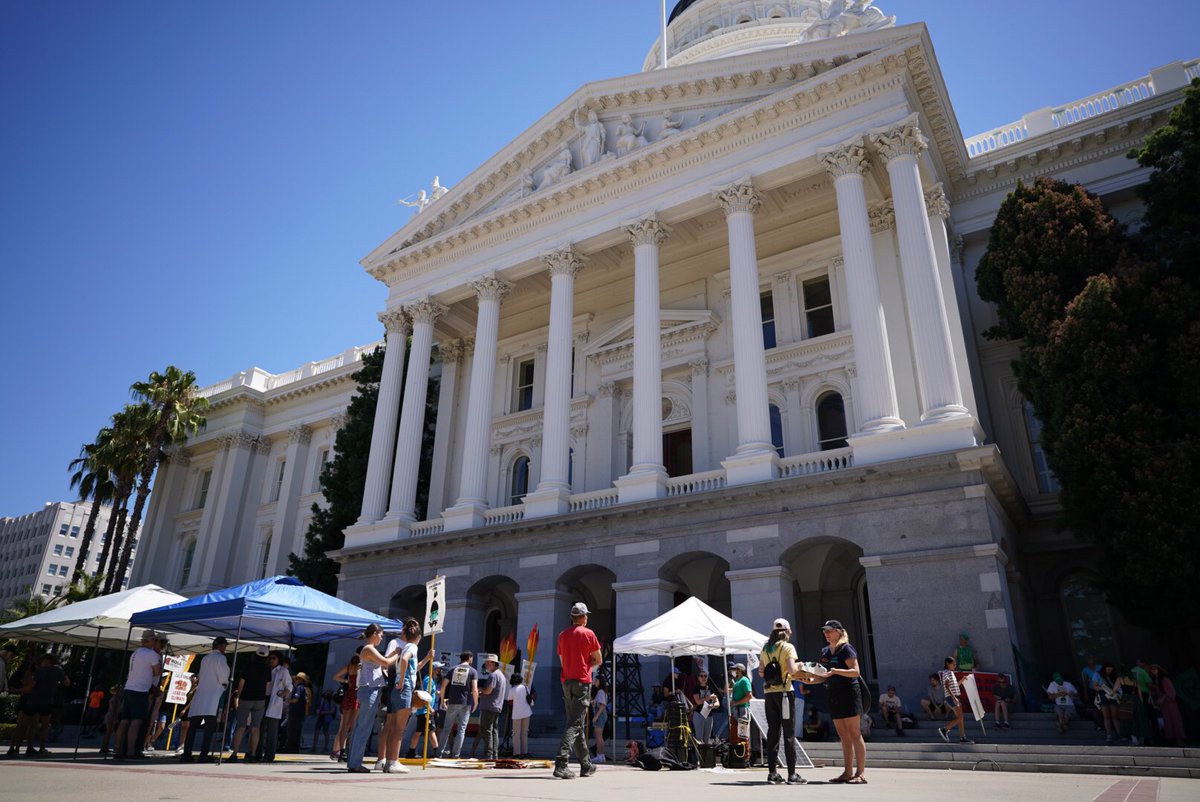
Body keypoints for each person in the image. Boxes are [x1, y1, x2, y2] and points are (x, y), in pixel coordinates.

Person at [810, 619, 864, 783]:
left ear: (839, 631)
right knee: (843, 735)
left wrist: (836, 671)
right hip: (833, 693)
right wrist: (809, 680)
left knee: (855, 734)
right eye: (824, 631)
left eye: (829, 631)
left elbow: (855, 672)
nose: (826, 634)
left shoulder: (846, 649)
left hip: (849, 693)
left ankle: (860, 773)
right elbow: (823, 675)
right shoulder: (826, 651)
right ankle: (847, 773)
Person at [553, 601, 602, 780]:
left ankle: (586, 764)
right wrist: (588, 664)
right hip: (582, 681)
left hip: (566, 681)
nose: (587, 617)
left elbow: (561, 659)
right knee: (574, 723)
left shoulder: (562, 635)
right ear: (581, 617)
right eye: (586, 615)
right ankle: (561, 763)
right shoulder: (589, 634)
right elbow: (599, 660)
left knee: (575, 722)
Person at [346, 623, 399, 773]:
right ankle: (355, 763)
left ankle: (353, 761)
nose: (382, 638)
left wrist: (392, 654)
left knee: (361, 727)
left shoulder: (369, 649)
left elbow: (382, 662)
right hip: (369, 690)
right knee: (363, 727)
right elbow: (387, 663)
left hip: (368, 690)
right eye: (381, 635)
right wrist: (399, 652)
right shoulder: (369, 649)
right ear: (374, 633)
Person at [759, 618, 805, 785]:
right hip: (785, 693)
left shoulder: (765, 648)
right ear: (786, 631)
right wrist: (801, 667)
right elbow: (792, 670)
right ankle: (792, 774)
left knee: (773, 732)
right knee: (789, 733)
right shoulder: (787, 647)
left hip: (769, 694)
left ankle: (772, 773)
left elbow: (761, 672)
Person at [381, 618, 425, 773]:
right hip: (404, 686)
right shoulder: (412, 647)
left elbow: (409, 665)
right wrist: (401, 681)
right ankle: (393, 762)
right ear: (418, 637)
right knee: (399, 729)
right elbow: (405, 661)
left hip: (397, 687)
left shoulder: (405, 646)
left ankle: (389, 761)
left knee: (394, 727)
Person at [113, 629, 162, 760]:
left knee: (124, 721)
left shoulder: (135, 653)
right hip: (140, 690)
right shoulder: (151, 654)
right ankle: (130, 751)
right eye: (155, 640)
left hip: (129, 688)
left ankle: (118, 749)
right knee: (136, 722)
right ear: (152, 640)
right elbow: (157, 672)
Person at [8, 653, 69, 757]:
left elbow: (31, 686)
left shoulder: (38, 672)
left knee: (23, 725)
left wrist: (18, 690)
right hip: (47, 701)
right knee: (44, 726)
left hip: (33, 700)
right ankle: (41, 748)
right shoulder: (58, 671)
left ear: (46, 661)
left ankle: (16, 748)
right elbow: (67, 683)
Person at [180, 636, 229, 763]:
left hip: (201, 695)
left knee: (193, 727)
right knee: (209, 728)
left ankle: (187, 753)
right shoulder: (220, 658)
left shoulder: (205, 658)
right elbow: (223, 676)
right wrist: (225, 685)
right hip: (212, 696)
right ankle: (203, 754)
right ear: (221, 645)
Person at [229, 645, 271, 762]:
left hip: (246, 699)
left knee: (241, 727)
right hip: (260, 700)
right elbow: (268, 686)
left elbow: (241, 684)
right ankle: (252, 755)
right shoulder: (267, 669)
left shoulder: (248, 666)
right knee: (255, 728)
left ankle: (235, 754)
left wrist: (238, 697)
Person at [437, 651, 478, 759]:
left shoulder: (452, 669)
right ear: (469, 658)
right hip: (466, 703)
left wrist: (442, 700)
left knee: (446, 728)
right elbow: (474, 689)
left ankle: (439, 753)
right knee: (461, 729)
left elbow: (443, 686)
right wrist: (476, 702)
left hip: (452, 701)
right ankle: (455, 755)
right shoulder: (473, 671)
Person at [259, 651, 293, 762]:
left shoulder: (283, 671)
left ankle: (269, 755)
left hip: (274, 701)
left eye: (273, 658)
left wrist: (282, 695)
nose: (271, 660)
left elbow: (289, 686)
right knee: (260, 728)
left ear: (279, 659)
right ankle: (257, 753)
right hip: (263, 699)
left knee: (272, 731)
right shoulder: (265, 669)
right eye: (269, 658)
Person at [477, 653, 507, 760]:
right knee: (494, 730)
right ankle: (494, 754)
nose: (485, 664)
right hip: (496, 706)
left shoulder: (493, 675)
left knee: (487, 730)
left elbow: (488, 690)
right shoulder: (501, 675)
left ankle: (488, 754)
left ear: (492, 663)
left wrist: (479, 690)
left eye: (487, 662)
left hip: (489, 706)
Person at [330, 653, 360, 761]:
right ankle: (351, 750)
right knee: (353, 725)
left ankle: (342, 751)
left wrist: (347, 681)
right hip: (357, 695)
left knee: (345, 726)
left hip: (349, 695)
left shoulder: (349, 666)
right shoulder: (362, 667)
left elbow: (335, 676)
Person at [937, 657, 972, 744]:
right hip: (952, 697)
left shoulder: (951, 673)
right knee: (960, 718)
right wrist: (954, 698)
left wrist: (962, 680)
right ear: (948, 664)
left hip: (955, 697)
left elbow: (955, 685)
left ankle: (962, 737)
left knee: (960, 718)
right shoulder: (945, 673)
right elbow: (947, 687)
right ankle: (944, 729)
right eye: (954, 664)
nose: (955, 665)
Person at [1148, 664, 1185, 746]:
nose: (1153, 671)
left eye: (1155, 669)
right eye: (1152, 670)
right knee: (1168, 722)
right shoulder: (1156, 680)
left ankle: (1180, 740)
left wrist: (1163, 698)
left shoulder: (1164, 679)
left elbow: (1172, 693)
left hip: (1170, 704)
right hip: (1164, 705)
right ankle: (1172, 740)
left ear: (1159, 670)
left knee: (1175, 721)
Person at [1092, 663, 1122, 743]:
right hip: (1103, 696)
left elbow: (1118, 687)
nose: (1109, 671)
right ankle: (1108, 735)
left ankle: (1120, 735)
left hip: (1113, 696)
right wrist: (1103, 689)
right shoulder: (1097, 674)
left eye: (1111, 670)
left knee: (1115, 717)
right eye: (1108, 669)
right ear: (1104, 669)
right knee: (1106, 717)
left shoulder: (1115, 676)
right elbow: (1095, 686)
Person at [284, 671, 311, 754]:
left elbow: (296, 699)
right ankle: (295, 749)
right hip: (301, 713)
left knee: (291, 731)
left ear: (299, 680)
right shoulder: (306, 689)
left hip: (295, 713)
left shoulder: (298, 688)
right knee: (298, 732)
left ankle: (290, 748)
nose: (295, 680)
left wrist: (287, 700)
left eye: (296, 679)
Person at [508, 672, 533, 758]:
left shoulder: (512, 690)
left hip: (516, 714)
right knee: (524, 733)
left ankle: (517, 753)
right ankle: (524, 752)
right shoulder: (525, 687)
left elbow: (510, 702)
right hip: (527, 712)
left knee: (516, 734)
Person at [591, 679, 610, 762]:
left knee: (598, 737)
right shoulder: (601, 692)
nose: (595, 682)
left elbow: (602, 705)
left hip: (600, 715)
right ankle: (601, 756)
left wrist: (596, 716)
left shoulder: (601, 692)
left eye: (596, 680)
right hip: (601, 715)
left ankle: (599, 755)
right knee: (600, 737)